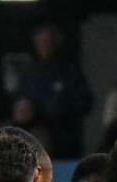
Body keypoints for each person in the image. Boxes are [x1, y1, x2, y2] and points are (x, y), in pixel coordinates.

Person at [16, 26, 93, 154]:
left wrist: (61, 109)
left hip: (65, 140)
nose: (44, 46)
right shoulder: (30, 74)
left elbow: (85, 103)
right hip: (36, 141)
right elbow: (22, 103)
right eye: (41, 42)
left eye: (48, 41)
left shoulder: (69, 72)